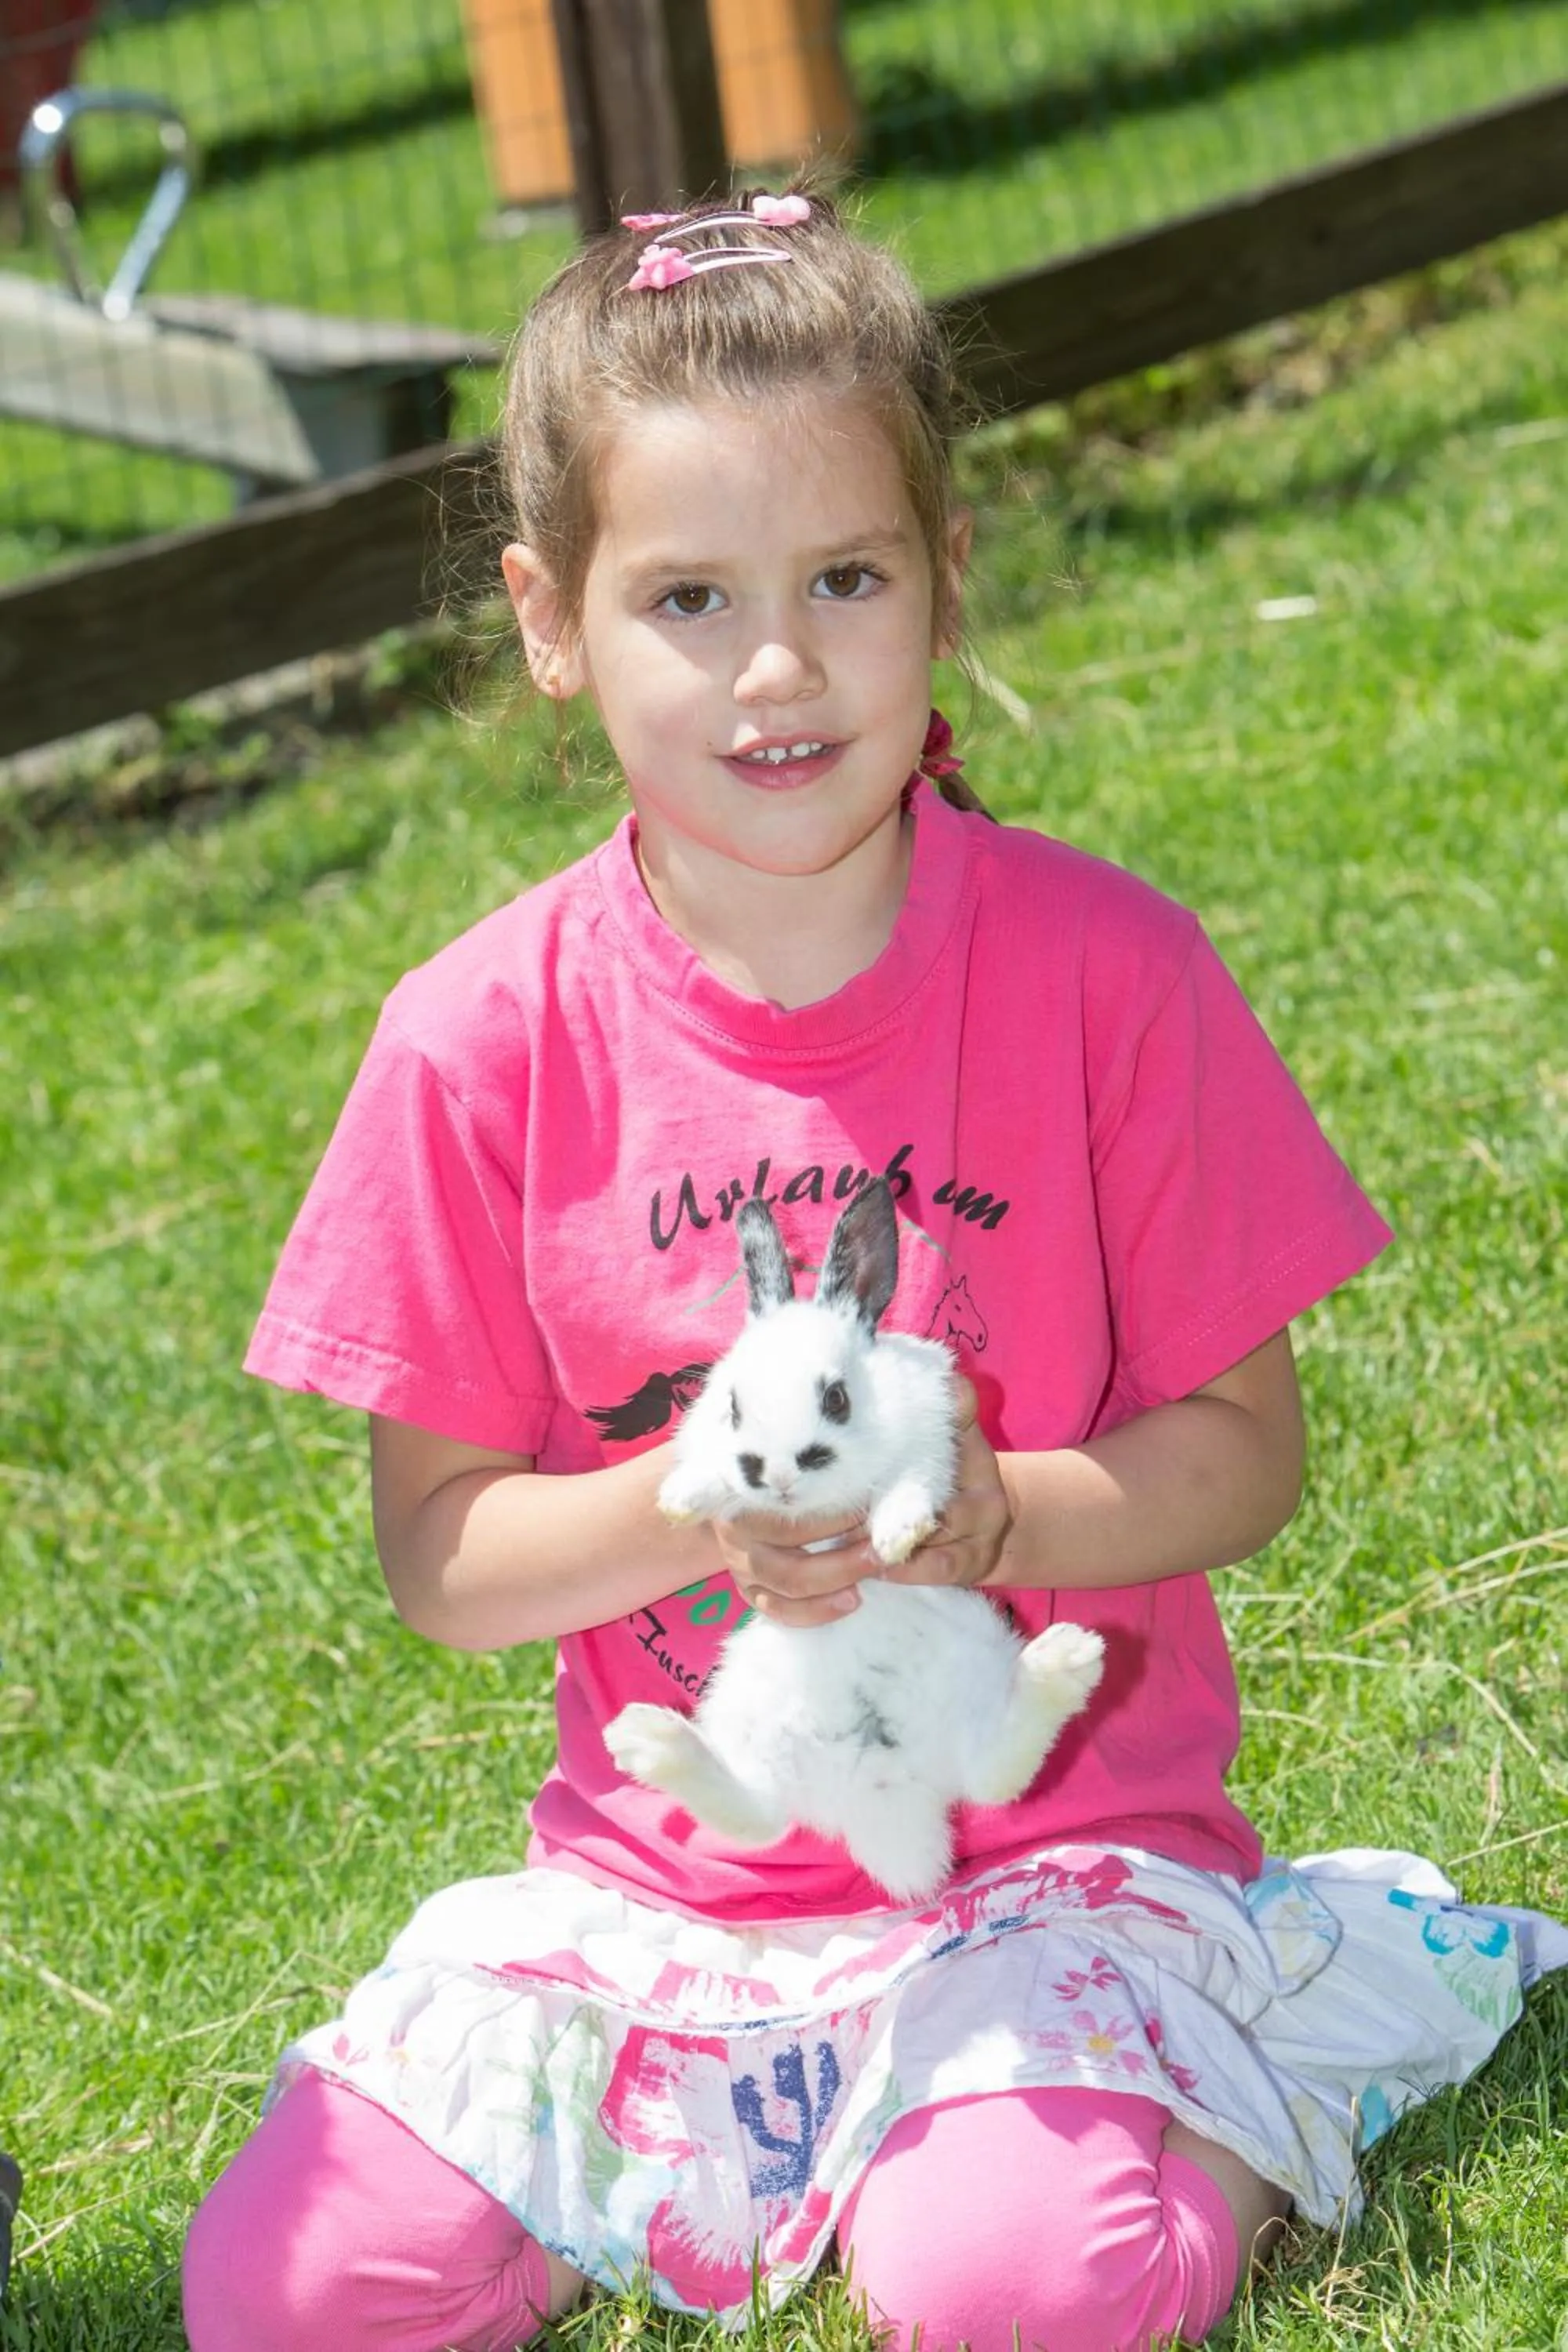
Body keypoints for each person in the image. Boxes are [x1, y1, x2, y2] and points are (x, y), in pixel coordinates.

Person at [181, 192, 1567, 2352]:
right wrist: (698, 1507)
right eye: (688, 597)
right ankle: (705, 2155)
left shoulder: (1108, 973)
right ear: (551, 622)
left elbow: (1245, 1458)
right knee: (289, 2296)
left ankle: (1240, 2084)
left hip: (1050, 1863)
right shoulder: (475, 1044)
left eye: (846, 577)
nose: (777, 666)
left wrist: (1001, 1518)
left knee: (1016, 2290)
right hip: (668, 1893)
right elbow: (445, 1562)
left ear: (944, 576)